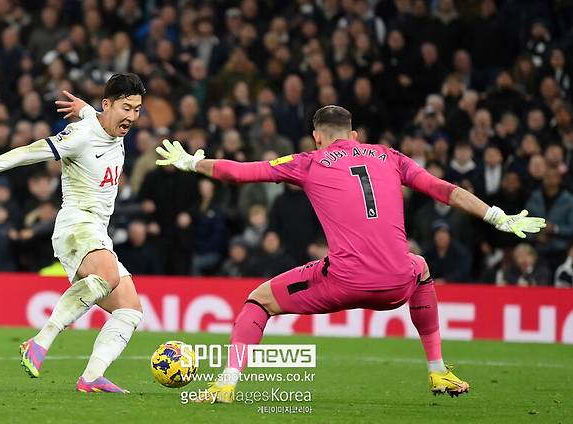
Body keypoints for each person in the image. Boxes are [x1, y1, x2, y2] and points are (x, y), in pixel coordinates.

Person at [155, 105, 546, 402]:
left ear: (317, 137)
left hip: (343, 281)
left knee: (258, 302)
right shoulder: (391, 157)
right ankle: (438, 370)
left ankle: (226, 384)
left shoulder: (309, 161)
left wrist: (191, 162)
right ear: (355, 135)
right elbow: (446, 191)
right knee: (420, 265)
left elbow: (239, 173)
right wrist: (496, 216)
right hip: (397, 284)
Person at [0, 74, 147, 393]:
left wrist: (87, 109)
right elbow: (29, 152)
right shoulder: (81, 135)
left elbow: (97, 118)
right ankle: (39, 341)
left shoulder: (109, 124)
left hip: (97, 229)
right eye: (126, 108)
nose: (131, 117)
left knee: (130, 311)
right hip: (76, 224)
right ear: (108, 104)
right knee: (108, 276)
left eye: (138, 110)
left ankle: (91, 377)